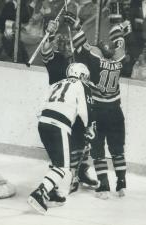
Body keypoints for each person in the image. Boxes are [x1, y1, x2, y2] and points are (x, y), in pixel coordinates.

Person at [64, 10, 131, 199]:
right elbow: (119, 39)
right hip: (115, 111)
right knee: (117, 149)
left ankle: (103, 186)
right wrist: (116, 22)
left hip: (98, 110)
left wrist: (76, 25)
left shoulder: (95, 57)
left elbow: (81, 44)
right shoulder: (119, 57)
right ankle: (121, 185)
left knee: (98, 149)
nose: (102, 43)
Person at [27, 62, 96, 214]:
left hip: (43, 123)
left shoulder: (56, 83)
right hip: (60, 125)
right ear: (82, 75)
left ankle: (54, 193)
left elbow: (40, 107)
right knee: (62, 167)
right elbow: (84, 110)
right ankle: (40, 193)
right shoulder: (81, 86)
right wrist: (89, 127)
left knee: (55, 162)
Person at [40, 20, 98, 193]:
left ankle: (81, 170)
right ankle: (67, 178)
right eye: (61, 42)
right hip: (62, 109)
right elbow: (44, 51)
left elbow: (89, 52)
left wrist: (78, 26)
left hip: (78, 107)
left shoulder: (78, 60)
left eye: (68, 42)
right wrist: (49, 33)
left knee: (84, 142)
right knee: (65, 146)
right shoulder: (55, 59)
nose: (65, 45)